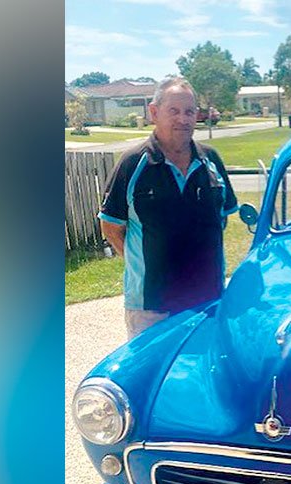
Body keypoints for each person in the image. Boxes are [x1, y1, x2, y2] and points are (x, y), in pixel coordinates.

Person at [98, 77, 237, 339]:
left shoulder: (211, 160)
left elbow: (222, 219)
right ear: (154, 113)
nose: (183, 119)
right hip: (151, 309)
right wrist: (146, 264)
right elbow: (111, 226)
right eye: (173, 111)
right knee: (152, 367)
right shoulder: (132, 164)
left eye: (189, 112)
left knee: (204, 364)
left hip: (209, 301)